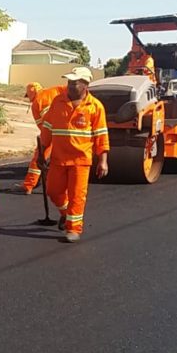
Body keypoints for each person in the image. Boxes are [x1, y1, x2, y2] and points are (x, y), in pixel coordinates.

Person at [40, 66, 109, 243]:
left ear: (85, 85)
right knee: (53, 191)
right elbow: (47, 129)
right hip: (58, 159)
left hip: (81, 161)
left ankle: (74, 229)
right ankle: (65, 214)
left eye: (74, 83)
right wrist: (41, 152)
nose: (70, 86)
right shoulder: (57, 102)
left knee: (77, 196)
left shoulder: (95, 107)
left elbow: (101, 135)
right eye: (69, 82)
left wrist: (103, 161)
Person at [18, 81, 67, 194]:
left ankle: (28, 186)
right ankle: (63, 188)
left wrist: (46, 139)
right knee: (65, 160)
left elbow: (41, 125)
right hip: (65, 130)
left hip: (50, 133)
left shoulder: (35, 104)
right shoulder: (55, 89)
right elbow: (70, 91)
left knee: (38, 159)